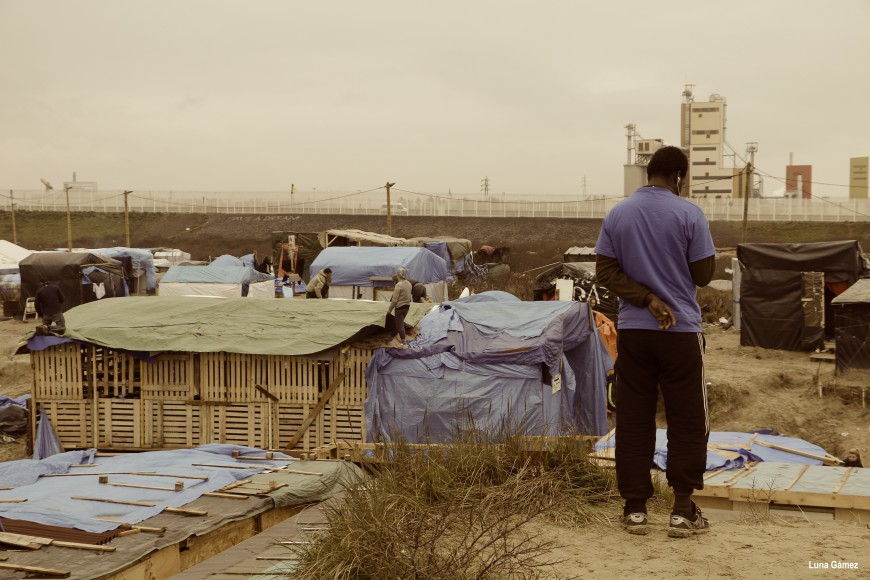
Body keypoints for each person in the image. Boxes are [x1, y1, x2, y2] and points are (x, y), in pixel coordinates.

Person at [594, 145, 716, 538]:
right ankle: (682, 510)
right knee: (687, 419)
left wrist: (646, 298)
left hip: (634, 330)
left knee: (633, 418)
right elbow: (703, 275)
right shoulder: (689, 213)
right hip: (680, 332)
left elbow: (606, 271)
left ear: (650, 173)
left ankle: (635, 511)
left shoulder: (619, 213)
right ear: (678, 176)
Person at [387, 267, 413, 347]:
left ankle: (403, 342)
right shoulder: (409, 283)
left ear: (397, 275)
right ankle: (390, 337)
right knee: (398, 323)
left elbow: (394, 300)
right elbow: (409, 297)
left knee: (400, 326)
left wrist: (389, 310)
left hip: (399, 308)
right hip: (407, 307)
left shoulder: (399, 285)